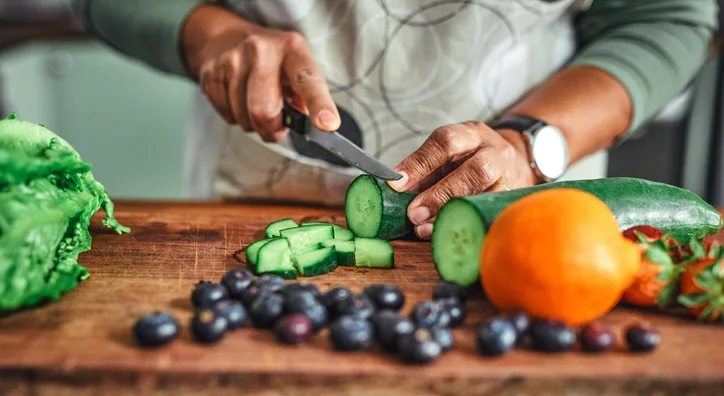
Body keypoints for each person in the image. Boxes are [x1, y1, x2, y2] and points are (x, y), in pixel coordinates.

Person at [72, 0, 718, 238]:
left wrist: (532, 143)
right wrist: (212, 35)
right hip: (251, 187)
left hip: (529, 208)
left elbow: (664, 17)